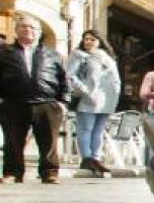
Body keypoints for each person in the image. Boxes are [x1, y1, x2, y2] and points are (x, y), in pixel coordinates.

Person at [0, 15, 69, 183]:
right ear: (16, 31)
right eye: (23, 26)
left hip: (46, 103)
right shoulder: (5, 52)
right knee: (12, 140)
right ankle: (12, 172)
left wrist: (63, 102)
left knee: (49, 141)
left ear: (39, 32)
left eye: (32, 27)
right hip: (14, 102)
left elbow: (63, 79)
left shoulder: (52, 54)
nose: (28, 30)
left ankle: (49, 173)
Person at [66, 29, 121, 175]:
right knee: (85, 129)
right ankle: (86, 158)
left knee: (99, 130)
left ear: (100, 41)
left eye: (92, 39)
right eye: (86, 39)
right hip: (87, 99)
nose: (88, 42)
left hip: (106, 99)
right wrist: (85, 90)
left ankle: (96, 158)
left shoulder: (108, 57)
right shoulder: (78, 55)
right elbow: (69, 75)